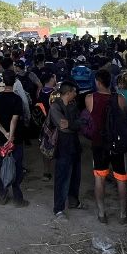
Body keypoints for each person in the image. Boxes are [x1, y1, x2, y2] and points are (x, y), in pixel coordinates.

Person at [86, 69, 127, 224]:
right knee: (121, 179)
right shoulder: (120, 98)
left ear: (98, 82)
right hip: (117, 143)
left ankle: (101, 213)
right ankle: (123, 215)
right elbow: (125, 114)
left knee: (99, 178)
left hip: (99, 143)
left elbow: (89, 117)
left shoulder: (90, 98)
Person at [0, 70, 29, 207]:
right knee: (17, 166)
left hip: (2, 139)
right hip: (16, 138)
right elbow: (14, 119)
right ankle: (18, 198)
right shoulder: (17, 99)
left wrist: (4, 133)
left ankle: (2, 195)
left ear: (2, 81)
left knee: (2, 165)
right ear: (14, 82)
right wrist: (11, 136)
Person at [51, 82, 85, 219]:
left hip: (74, 145)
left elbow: (80, 123)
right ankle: (58, 208)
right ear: (68, 92)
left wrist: (71, 124)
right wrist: (75, 125)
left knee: (75, 176)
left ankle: (73, 201)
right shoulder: (55, 107)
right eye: (74, 92)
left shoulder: (72, 105)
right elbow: (62, 126)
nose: (76, 94)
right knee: (62, 177)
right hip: (63, 146)